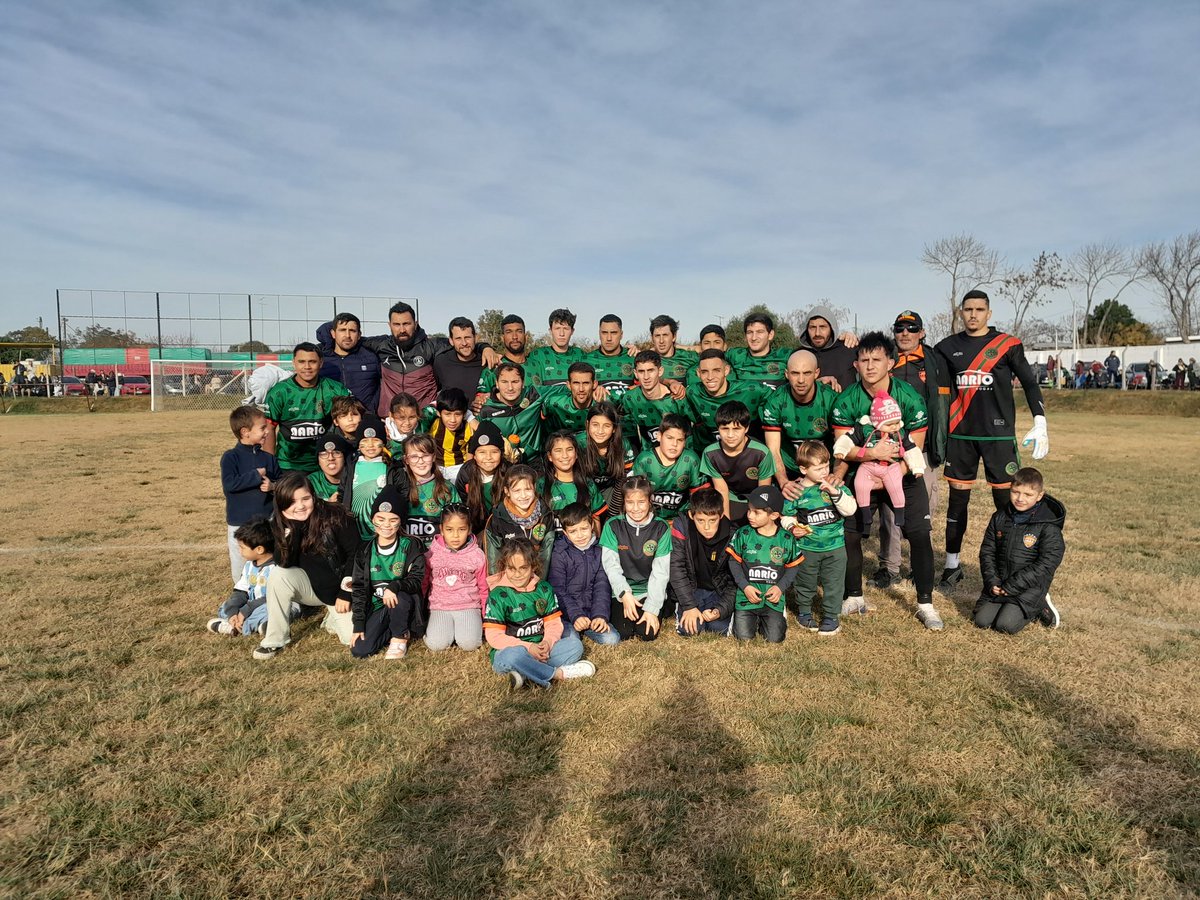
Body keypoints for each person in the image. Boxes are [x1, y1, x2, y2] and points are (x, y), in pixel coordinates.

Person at [934, 290, 1048, 592]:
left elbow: (1029, 382)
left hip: (998, 437)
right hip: (961, 437)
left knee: (1007, 504)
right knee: (957, 504)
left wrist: (1040, 420)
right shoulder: (946, 347)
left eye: (979, 309)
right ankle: (951, 566)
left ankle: (1009, 568)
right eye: (968, 309)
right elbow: (937, 391)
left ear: (989, 313)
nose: (973, 314)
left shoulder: (1007, 345)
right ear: (960, 312)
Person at [832, 331, 941, 629]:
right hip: (861, 475)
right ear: (856, 364)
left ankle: (925, 602)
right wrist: (869, 455)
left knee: (919, 533)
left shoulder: (908, 396)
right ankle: (853, 595)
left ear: (890, 363)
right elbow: (843, 449)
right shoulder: (847, 400)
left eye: (876, 359)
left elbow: (914, 449)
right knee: (850, 535)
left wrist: (893, 474)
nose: (869, 366)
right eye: (864, 359)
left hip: (900, 474)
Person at [253, 473, 362, 659]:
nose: (300, 506)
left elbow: (357, 555)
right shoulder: (281, 521)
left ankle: (332, 617)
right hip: (311, 588)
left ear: (313, 495)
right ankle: (275, 639)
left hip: (339, 591)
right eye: (292, 501)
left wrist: (346, 592)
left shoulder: (336, 515)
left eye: (305, 498)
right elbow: (283, 563)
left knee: (352, 641)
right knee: (279, 575)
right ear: (282, 502)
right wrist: (293, 529)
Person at [876, 310, 946, 588]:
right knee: (889, 509)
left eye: (911, 328)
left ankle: (920, 564)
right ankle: (889, 567)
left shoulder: (935, 360)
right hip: (889, 447)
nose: (905, 334)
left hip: (923, 447)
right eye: (899, 329)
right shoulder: (886, 361)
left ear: (922, 332)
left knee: (923, 508)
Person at [484, 536, 594, 690]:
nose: (517, 574)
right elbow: (494, 637)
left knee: (575, 645)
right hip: (513, 651)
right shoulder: (497, 595)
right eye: (511, 568)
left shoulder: (544, 588)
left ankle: (524, 674)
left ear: (533, 566)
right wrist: (528, 647)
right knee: (512, 656)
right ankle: (557, 674)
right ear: (504, 567)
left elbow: (553, 624)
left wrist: (548, 643)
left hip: (541, 648)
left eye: (523, 568)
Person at [359, 301, 497, 414]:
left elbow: (462, 344)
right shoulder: (381, 345)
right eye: (397, 324)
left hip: (423, 418)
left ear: (415, 323)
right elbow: (351, 340)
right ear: (389, 325)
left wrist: (485, 347)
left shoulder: (432, 346)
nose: (402, 329)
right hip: (390, 418)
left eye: (406, 324)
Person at [974, 467, 1065, 633]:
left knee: (1005, 626)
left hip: (1028, 587)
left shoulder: (1048, 525)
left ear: (1039, 496)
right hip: (1001, 585)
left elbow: (1047, 563)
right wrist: (992, 581)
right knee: (981, 621)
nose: (1020, 499)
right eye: (1015, 492)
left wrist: (1014, 585)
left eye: (1028, 495)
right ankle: (1005, 603)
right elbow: (987, 551)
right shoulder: (999, 517)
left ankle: (1040, 605)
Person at [782, 441, 856, 637]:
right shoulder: (796, 491)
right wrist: (792, 527)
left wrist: (835, 493)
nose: (824, 471)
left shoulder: (836, 485)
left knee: (834, 583)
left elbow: (850, 509)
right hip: (807, 547)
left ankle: (832, 616)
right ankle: (804, 612)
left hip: (835, 547)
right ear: (803, 469)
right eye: (818, 468)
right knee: (805, 581)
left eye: (826, 466)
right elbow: (786, 516)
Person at [349, 485, 426, 660]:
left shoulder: (410, 545)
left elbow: (416, 579)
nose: (386, 525)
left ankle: (400, 637)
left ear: (400, 521)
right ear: (372, 519)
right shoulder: (365, 549)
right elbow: (359, 588)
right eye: (381, 519)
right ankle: (390, 629)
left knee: (399, 598)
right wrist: (359, 624)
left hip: (402, 602)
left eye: (393, 520)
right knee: (360, 650)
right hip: (378, 606)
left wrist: (395, 585)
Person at [832, 390, 925, 529]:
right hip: (868, 465)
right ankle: (865, 513)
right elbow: (847, 438)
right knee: (860, 484)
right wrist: (841, 449)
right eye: (889, 424)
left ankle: (900, 513)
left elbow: (912, 450)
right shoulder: (864, 429)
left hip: (890, 466)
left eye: (896, 422)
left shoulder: (900, 433)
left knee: (896, 487)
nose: (894, 427)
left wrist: (917, 466)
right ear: (876, 422)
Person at [725, 485, 804, 643]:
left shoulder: (786, 539)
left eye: (756, 512)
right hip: (746, 598)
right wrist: (745, 586)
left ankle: (772, 618)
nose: (750, 515)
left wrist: (780, 587)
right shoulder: (743, 534)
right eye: (749, 510)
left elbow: (793, 567)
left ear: (774, 515)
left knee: (775, 639)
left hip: (772, 601)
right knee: (743, 638)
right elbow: (733, 562)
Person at [599, 476, 672, 642]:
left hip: (649, 589)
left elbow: (661, 572)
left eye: (641, 502)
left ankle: (660, 607)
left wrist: (652, 609)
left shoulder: (661, 527)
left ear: (649, 501)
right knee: (624, 633)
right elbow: (611, 566)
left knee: (647, 634)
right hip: (622, 590)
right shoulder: (612, 525)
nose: (636, 508)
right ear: (624, 503)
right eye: (630, 502)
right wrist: (624, 594)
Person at [263, 342, 351, 474]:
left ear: (321, 363)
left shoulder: (335, 389)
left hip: (326, 463)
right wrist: (269, 465)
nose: (307, 367)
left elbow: (353, 418)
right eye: (302, 362)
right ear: (294, 363)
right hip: (288, 465)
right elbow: (269, 428)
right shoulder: (279, 392)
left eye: (312, 362)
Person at [220, 405, 282, 584]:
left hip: (267, 522)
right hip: (239, 523)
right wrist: (256, 475)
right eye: (262, 428)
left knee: (271, 563)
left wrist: (273, 486)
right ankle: (241, 595)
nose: (267, 432)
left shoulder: (269, 458)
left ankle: (269, 594)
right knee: (241, 565)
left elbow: (283, 484)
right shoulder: (231, 457)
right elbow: (229, 484)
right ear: (245, 432)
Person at [548, 502, 621, 647]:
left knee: (612, 639)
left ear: (592, 526)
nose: (580, 535)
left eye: (584, 528)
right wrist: (575, 616)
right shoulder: (559, 552)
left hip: (591, 612)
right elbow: (558, 589)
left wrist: (599, 615)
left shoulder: (599, 551)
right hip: (566, 615)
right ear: (565, 532)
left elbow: (602, 586)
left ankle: (589, 626)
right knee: (573, 643)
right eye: (573, 531)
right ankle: (572, 631)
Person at [763, 349, 838, 489]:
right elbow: (773, 449)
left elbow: (842, 443)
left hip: (824, 470)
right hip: (790, 469)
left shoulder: (831, 399)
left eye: (807, 373)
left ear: (816, 373)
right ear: (786, 374)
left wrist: (836, 475)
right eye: (795, 373)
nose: (801, 380)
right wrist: (784, 482)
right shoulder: (775, 401)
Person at [206, 519, 289, 638]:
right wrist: (233, 611)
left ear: (259, 549)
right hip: (250, 607)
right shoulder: (249, 565)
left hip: (268, 604)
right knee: (226, 606)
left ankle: (241, 627)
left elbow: (273, 597)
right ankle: (238, 623)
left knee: (270, 610)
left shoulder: (277, 568)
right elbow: (240, 591)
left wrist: (245, 611)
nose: (239, 551)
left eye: (242, 547)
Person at [670, 488, 736, 637]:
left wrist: (720, 609)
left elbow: (735, 581)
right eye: (701, 520)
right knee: (689, 630)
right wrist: (689, 606)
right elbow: (676, 568)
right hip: (691, 589)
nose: (707, 527)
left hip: (718, 591)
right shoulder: (682, 526)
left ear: (721, 515)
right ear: (691, 515)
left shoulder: (733, 534)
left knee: (719, 628)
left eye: (712, 521)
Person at [423, 504, 489, 652]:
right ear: (441, 529)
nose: (455, 535)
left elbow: (484, 588)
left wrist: (486, 615)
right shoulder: (431, 553)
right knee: (436, 645)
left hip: (468, 606)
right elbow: (425, 583)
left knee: (470, 644)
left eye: (462, 529)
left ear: (469, 528)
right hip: (440, 607)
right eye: (449, 530)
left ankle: (465, 630)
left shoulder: (477, 555)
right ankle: (442, 631)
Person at [699, 400, 775, 524]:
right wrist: (725, 524)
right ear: (718, 428)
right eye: (725, 428)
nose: (730, 434)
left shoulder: (761, 452)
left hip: (756, 497)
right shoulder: (710, 453)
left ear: (746, 428)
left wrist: (756, 517)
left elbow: (763, 490)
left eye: (736, 428)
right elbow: (721, 489)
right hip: (730, 497)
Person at [630, 413, 709, 522]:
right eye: (670, 438)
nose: (674, 444)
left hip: (681, 518)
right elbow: (635, 499)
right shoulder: (644, 460)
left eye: (680, 440)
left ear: (685, 442)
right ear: (659, 436)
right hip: (649, 519)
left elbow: (700, 498)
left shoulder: (691, 459)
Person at [686, 350, 769, 452]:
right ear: (698, 373)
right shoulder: (692, 392)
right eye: (704, 372)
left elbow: (780, 400)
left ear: (726, 370)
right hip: (714, 455)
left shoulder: (752, 389)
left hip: (750, 454)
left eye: (716, 370)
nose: (710, 377)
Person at [341, 416, 407, 539]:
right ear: (358, 444)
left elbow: (403, 493)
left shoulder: (393, 467)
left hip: (384, 531)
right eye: (364, 441)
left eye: (375, 440)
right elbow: (342, 492)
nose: (370, 445)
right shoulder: (351, 466)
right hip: (355, 530)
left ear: (383, 442)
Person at [484, 464, 556, 573]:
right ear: (507, 491)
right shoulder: (498, 518)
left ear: (534, 487)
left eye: (527, 489)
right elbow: (494, 558)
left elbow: (546, 554)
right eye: (517, 491)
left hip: (537, 581)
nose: (523, 496)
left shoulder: (545, 515)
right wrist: (500, 586)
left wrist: (538, 582)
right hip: (509, 580)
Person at [401, 433, 462, 548]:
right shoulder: (400, 488)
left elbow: (457, 523)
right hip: (408, 553)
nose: (420, 461)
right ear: (406, 460)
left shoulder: (446, 488)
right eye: (414, 456)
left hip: (438, 552)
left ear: (433, 457)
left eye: (425, 455)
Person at [477, 362, 547, 461]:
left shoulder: (534, 395)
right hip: (502, 465)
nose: (510, 388)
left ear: (523, 383)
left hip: (534, 462)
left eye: (515, 382)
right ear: (497, 383)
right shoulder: (485, 410)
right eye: (504, 382)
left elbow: (564, 389)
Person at [315, 311, 382, 414]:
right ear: (333, 333)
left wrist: (371, 413)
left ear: (359, 335)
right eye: (342, 330)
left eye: (352, 331)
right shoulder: (321, 359)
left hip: (365, 419)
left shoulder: (371, 358)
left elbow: (382, 386)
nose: (347, 335)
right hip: (329, 421)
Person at [618, 350, 682, 454]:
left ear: (660, 371)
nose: (646, 377)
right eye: (641, 371)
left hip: (680, 458)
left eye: (651, 370)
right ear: (635, 373)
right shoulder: (630, 398)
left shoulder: (677, 396)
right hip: (650, 458)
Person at [454, 421, 510, 536]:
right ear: (474, 455)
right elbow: (462, 504)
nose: (488, 457)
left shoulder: (510, 473)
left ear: (501, 453)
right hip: (476, 528)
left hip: (506, 528)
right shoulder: (466, 473)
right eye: (482, 452)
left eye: (494, 452)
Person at [578, 402, 630, 518]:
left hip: (611, 489)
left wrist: (611, 516)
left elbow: (622, 481)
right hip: (585, 489)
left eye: (606, 426)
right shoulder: (578, 444)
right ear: (587, 425)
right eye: (595, 425)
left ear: (614, 428)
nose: (600, 431)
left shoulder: (623, 445)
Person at [542, 430, 606, 524]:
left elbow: (595, 519)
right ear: (550, 456)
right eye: (558, 451)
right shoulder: (541, 485)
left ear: (576, 453)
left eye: (569, 449)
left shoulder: (588, 483)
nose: (565, 456)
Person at [796, 305, 858, 392]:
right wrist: (816, 384)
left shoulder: (849, 348)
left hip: (847, 405)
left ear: (832, 328)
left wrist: (858, 340)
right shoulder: (799, 355)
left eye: (822, 327)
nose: (817, 333)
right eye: (812, 327)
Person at [726, 312, 791, 388]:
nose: (754, 338)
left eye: (760, 332)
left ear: (770, 335)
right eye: (750, 332)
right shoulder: (735, 355)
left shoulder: (785, 355)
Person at [432, 316, 490, 400]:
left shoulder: (487, 361)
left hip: (482, 412)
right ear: (451, 341)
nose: (464, 343)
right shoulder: (441, 362)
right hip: (454, 413)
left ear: (475, 338)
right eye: (458, 338)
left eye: (467, 337)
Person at [525, 308, 585, 387]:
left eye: (566, 329)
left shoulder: (580, 355)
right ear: (550, 331)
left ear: (572, 331)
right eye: (557, 328)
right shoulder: (537, 355)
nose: (561, 334)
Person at [424, 387, 473, 482]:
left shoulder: (469, 428)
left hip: (457, 468)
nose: (452, 420)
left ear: (464, 414)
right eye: (447, 414)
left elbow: (469, 458)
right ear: (439, 413)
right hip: (435, 466)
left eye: (457, 414)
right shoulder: (432, 422)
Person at [476, 314, 529, 400]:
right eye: (509, 332)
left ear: (526, 336)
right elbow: (479, 404)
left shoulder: (538, 364)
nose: (514, 337)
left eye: (519, 331)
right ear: (502, 337)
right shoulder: (492, 369)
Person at [541, 361, 599, 438]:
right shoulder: (554, 403)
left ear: (594, 384)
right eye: (576, 383)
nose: (581, 389)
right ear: (568, 385)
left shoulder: (604, 401)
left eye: (586, 383)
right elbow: (542, 419)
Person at [587, 314, 637, 401]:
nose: (609, 338)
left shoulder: (633, 357)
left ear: (621, 335)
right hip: (598, 412)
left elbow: (645, 388)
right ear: (599, 334)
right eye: (604, 333)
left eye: (613, 333)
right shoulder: (586, 360)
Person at [648, 314, 699, 382]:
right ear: (652, 338)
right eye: (657, 336)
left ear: (674, 336)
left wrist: (683, 346)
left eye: (665, 335)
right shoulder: (645, 360)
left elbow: (712, 352)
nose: (661, 341)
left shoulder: (689, 357)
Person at [308, 434, 351, 502]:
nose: (331, 458)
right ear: (318, 460)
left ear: (344, 458)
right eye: (324, 454)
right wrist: (329, 505)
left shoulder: (355, 479)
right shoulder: (311, 482)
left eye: (336, 453)